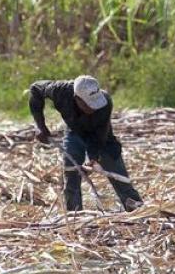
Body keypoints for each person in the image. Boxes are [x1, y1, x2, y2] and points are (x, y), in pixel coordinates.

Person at [29, 75, 144, 212]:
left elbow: (98, 138)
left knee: (120, 178)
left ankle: (138, 210)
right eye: (88, 103)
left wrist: (92, 160)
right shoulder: (59, 91)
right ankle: (74, 216)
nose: (93, 107)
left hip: (101, 138)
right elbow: (35, 89)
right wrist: (40, 126)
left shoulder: (105, 102)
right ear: (77, 98)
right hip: (74, 132)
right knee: (71, 174)